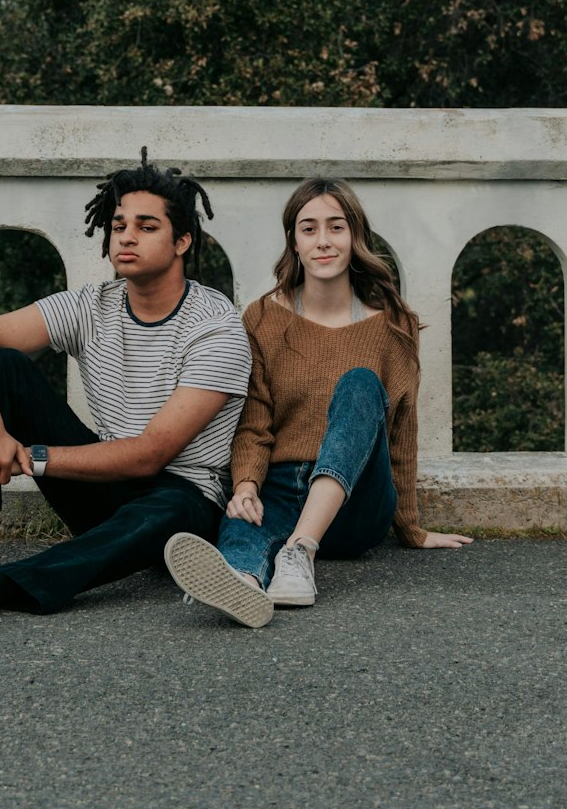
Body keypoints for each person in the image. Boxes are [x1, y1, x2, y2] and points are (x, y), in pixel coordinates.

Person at [0, 151, 251, 625]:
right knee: (2, 364)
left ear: (182, 241)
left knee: (172, 506)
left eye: (146, 226)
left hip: (184, 506)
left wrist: (27, 458)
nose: (127, 237)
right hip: (107, 491)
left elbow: (150, 455)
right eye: (119, 226)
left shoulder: (216, 327)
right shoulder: (92, 305)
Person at [164, 177, 472, 627]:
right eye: (309, 229)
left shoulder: (393, 326)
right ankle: (241, 583)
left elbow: (402, 433)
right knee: (245, 516)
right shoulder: (263, 317)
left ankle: (299, 551)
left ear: (356, 237)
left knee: (361, 384)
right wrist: (247, 485)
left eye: (336, 227)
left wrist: (410, 528)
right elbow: (253, 420)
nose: (323, 242)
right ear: (293, 240)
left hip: (357, 504)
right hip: (284, 486)